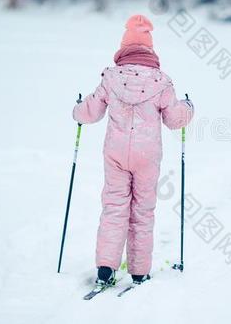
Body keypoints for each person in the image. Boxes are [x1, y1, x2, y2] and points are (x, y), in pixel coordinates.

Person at [73, 14, 194, 286]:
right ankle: (139, 271)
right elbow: (175, 120)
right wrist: (188, 109)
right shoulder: (161, 81)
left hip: (115, 154)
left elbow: (90, 112)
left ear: (124, 48)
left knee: (114, 207)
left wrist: (77, 109)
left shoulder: (111, 77)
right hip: (147, 157)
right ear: (150, 50)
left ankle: (106, 267)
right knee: (143, 210)